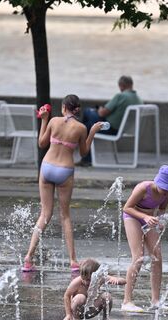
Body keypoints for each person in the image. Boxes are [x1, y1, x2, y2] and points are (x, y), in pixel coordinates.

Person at [22, 95, 104, 274]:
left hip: (47, 166)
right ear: (76, 109)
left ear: (64, 107)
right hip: (65, 170)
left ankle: (28, 257)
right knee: (65, 216)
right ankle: (73, 260)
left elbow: (42, 143)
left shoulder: (54, 121)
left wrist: (44, 120)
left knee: (45, 214)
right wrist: (92, 132)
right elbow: (83, 153)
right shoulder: (81, 128)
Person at [120, 165, 168, 313]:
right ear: (157, 181)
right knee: (138, 257)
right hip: (133, 217)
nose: (165, 190)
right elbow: (127, 207)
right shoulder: (143, 188)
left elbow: (162, 210)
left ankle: (155, 301)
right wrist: (145, 217)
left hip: (149, 220)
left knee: (157, 256)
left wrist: (160, 221)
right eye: (164, 187)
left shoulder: (167, 193)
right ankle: (127, 301)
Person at [76, 75, 143, 166]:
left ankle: (81, 140)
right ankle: (85, 154)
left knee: (88, 111)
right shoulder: (138, 99)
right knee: (88, 125)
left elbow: (102, 113)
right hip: (123, 130)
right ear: (131, 84)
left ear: (121, 85)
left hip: (111, 129)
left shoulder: (121, 96)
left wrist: (99, 109)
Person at [60, 258, 126, 320]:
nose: (86, 282)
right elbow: (66, 295)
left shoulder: (100, 278)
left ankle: (106, 319)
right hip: (78, 311)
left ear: (96, 275)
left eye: (89, 279)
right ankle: (74, 319)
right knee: (80, 297)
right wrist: (68, 314)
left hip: (92, 309)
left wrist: (115, 279)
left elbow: (124, 281)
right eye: (83, 279)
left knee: (107, 296)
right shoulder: (77, 282)